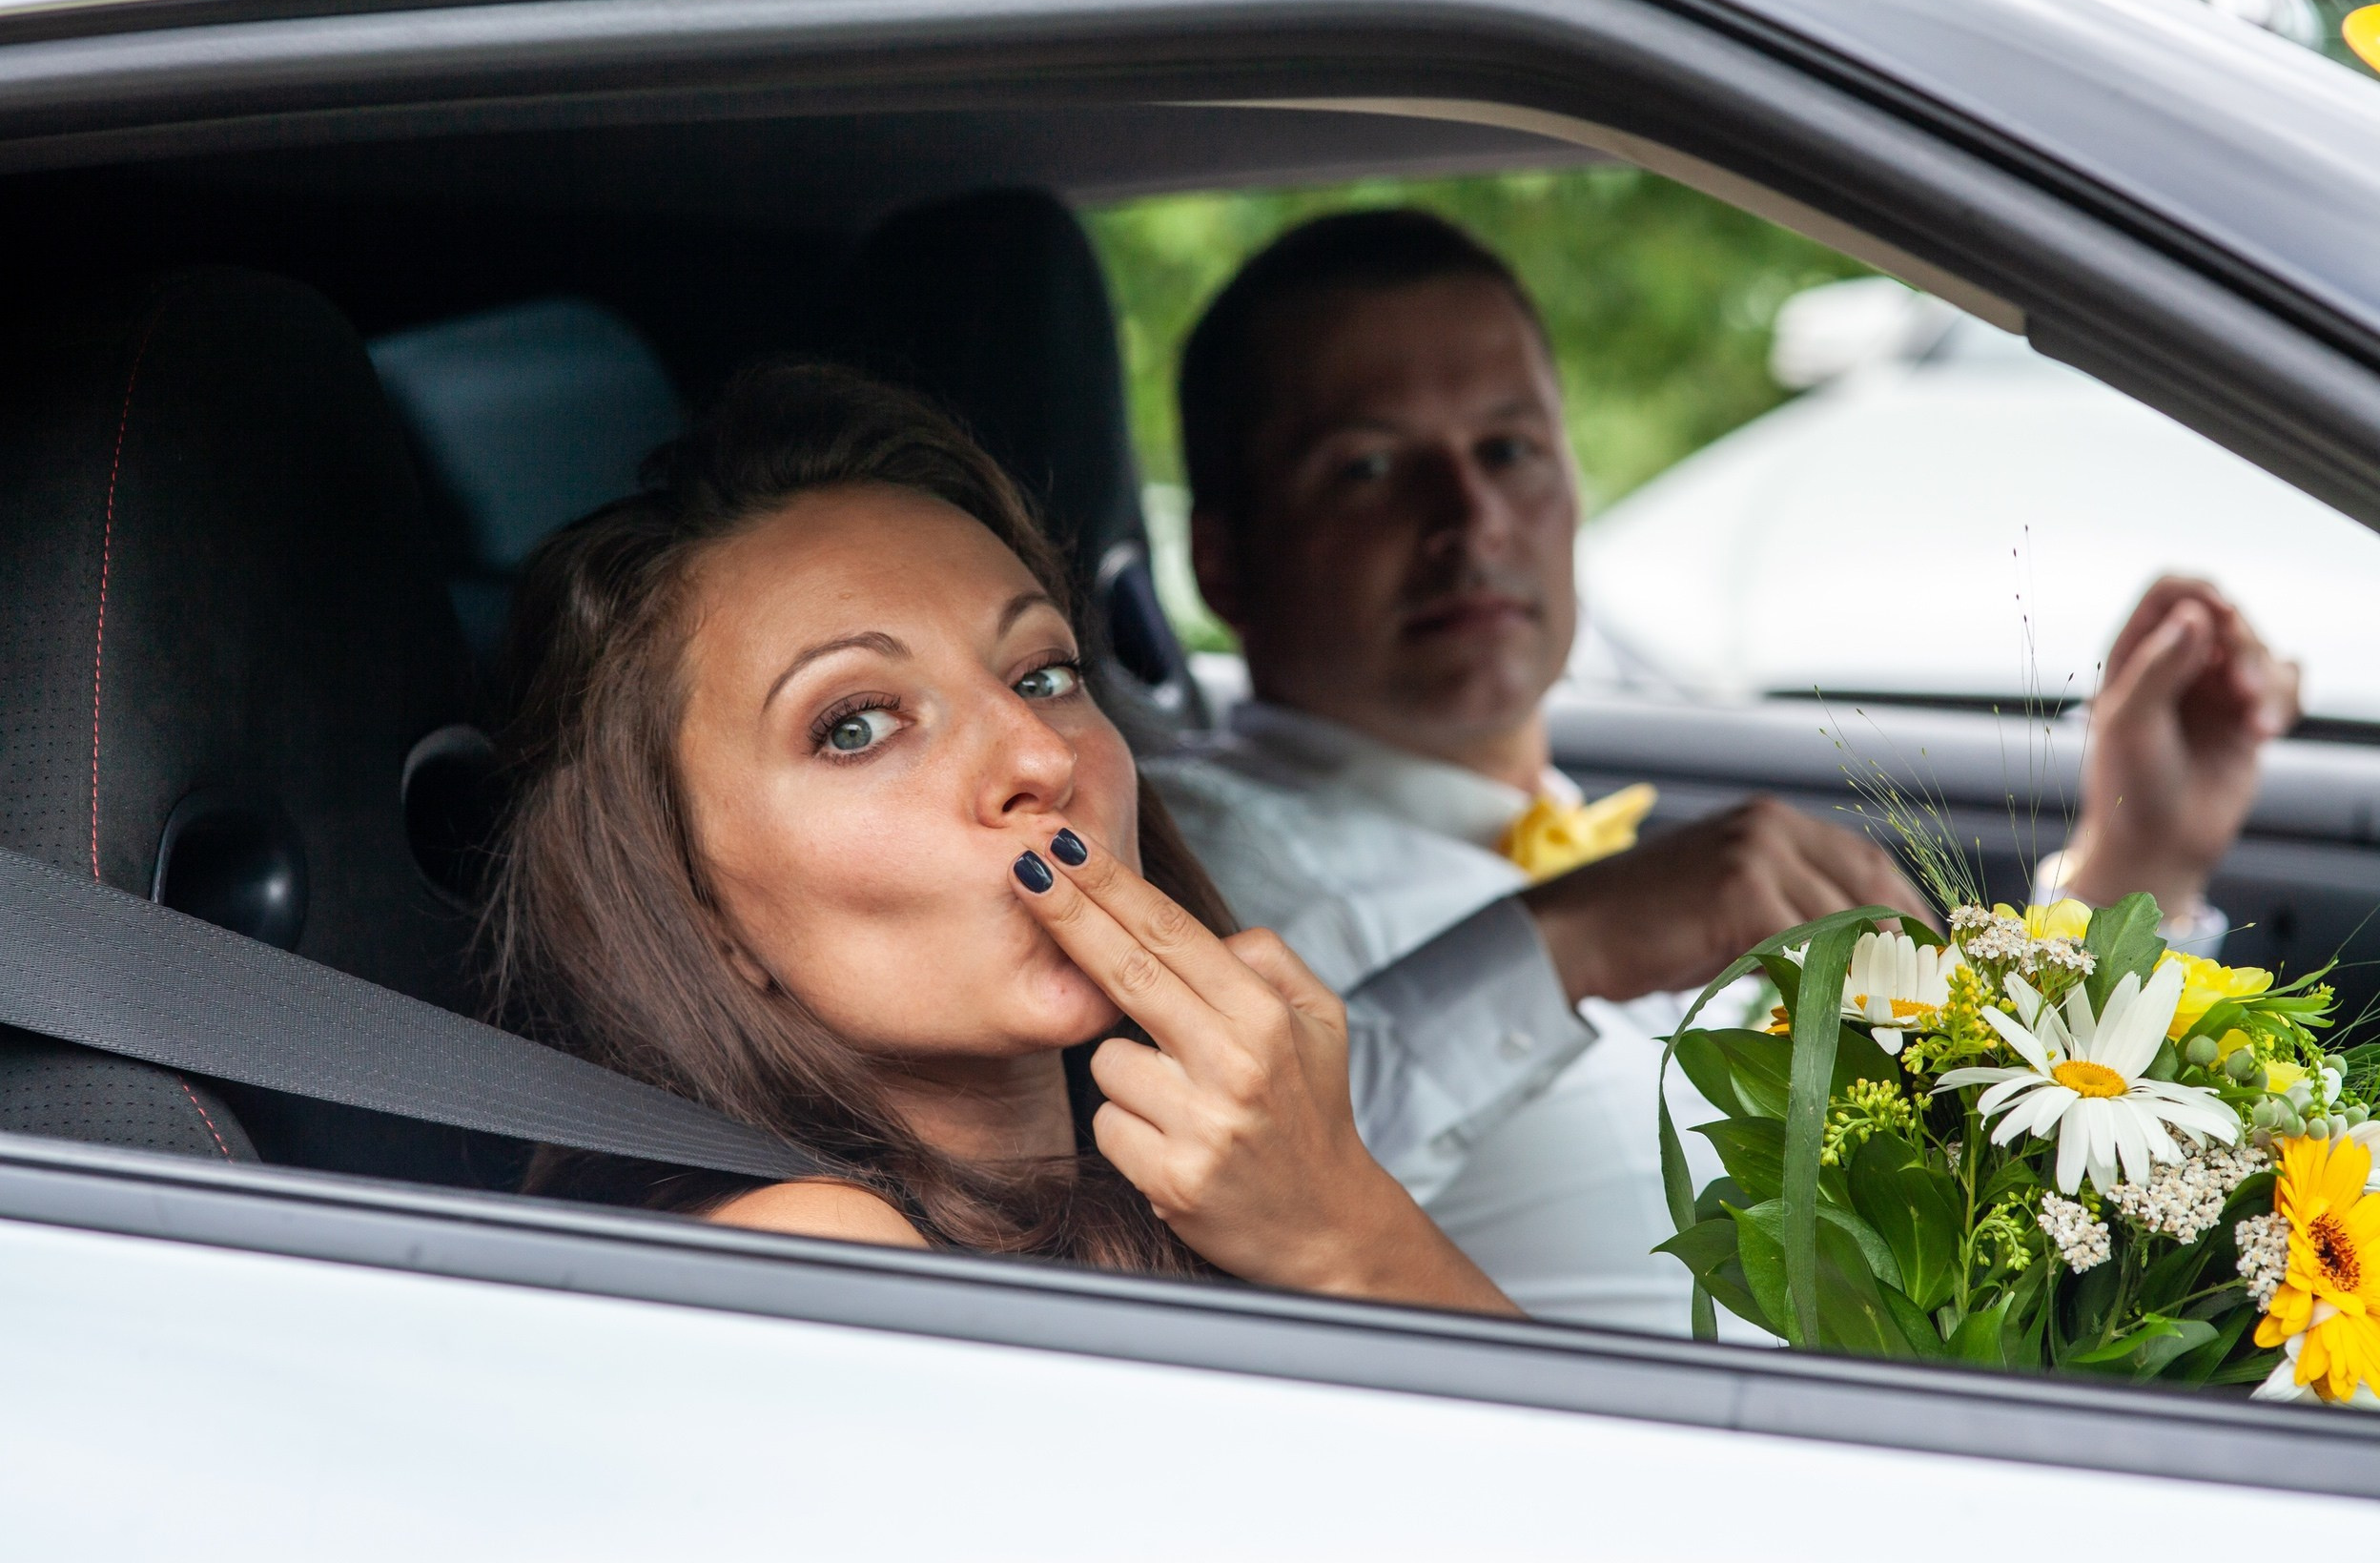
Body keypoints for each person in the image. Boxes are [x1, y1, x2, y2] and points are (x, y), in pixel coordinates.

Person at [1147, 209, 2303, 1331]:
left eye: (1508, 449)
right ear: (1223, 561)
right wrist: (1564, 944)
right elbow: (1225, 1184)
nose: (1471, 516)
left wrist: (2135, 861)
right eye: (1368, 468)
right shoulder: (1182, 858)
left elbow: (1929, 1194)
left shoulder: (1567, 832)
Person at [483, 361, 1519, 1314]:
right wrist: (1351, 1237)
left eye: (1043, 675)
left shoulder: (1194, 1195)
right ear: (695, 907)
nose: (1039, 754)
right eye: (856, 726)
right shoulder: (809, 1248)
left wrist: (1334, 1208)